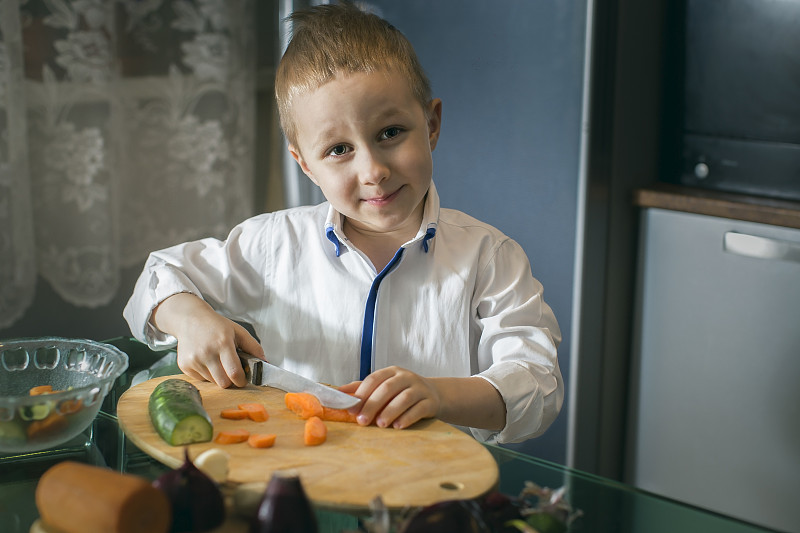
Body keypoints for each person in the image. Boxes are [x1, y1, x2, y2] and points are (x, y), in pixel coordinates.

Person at [124, 1, 563, 444]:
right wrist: (190, 318)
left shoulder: (490, 257)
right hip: (301, 484)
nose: (373, 170)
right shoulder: (274, 244)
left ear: (431, 125)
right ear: (305, 165)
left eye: (390, 132)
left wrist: (440, 395)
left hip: (434, 498)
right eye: (338, 150)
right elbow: (158, 276)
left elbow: (538, 385)